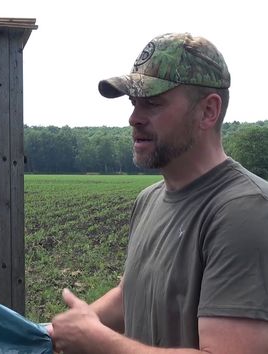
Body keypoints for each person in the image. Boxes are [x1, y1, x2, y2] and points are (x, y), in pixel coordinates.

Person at [47, 33, 268, 353]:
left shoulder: (244, 211)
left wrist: (97, 342)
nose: (134, 118)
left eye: (152, 102)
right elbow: (130, 295)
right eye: (134, 102)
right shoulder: (149, 200)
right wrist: (60, 331)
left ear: (208, 111)